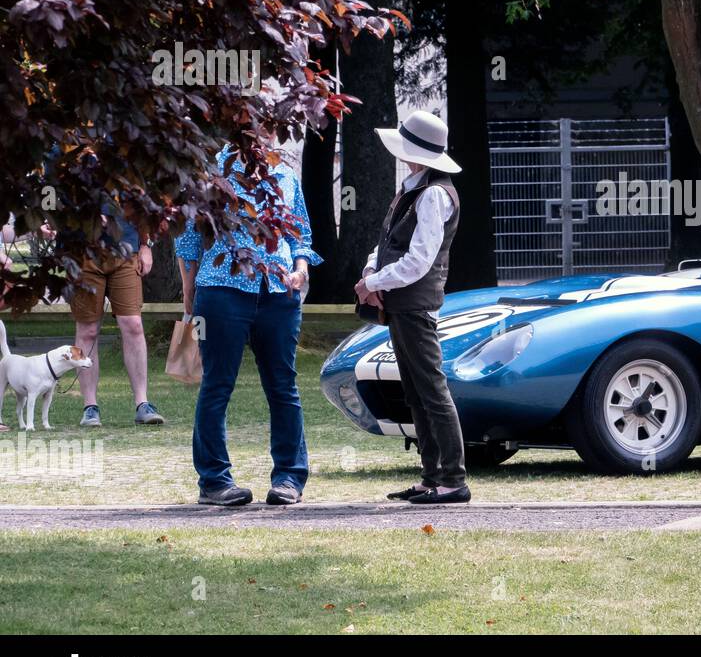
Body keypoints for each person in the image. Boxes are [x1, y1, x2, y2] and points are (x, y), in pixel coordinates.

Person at [176, 146, 320, 506]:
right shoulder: (212, 168)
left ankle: (289, 477)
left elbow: (299, 232)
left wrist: (301, 270)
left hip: (278, 291)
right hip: (222, 289)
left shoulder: (284, 172)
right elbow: (189, 236)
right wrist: (188, 287)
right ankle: (214, 481)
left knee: (283, 386)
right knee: (217, 385)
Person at [355, 111, 468, 505]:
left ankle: (453, 479)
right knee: (417, 393)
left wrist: (372, 283)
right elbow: (388, 244)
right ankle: (433, 475)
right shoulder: (415, 188)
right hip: (404, 305)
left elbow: (419, 261)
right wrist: (372, 270)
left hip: (416, 306)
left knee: (432, 391)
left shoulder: (434, 193)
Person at [68, 205, 163, 428]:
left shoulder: (126, 169)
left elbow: (142, 201)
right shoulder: (70, 169)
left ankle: (143, 404)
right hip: (83, 254)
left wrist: (145, 245)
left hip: (126, 251)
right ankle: (90, 407)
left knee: (133, 325)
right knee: (88, 329)